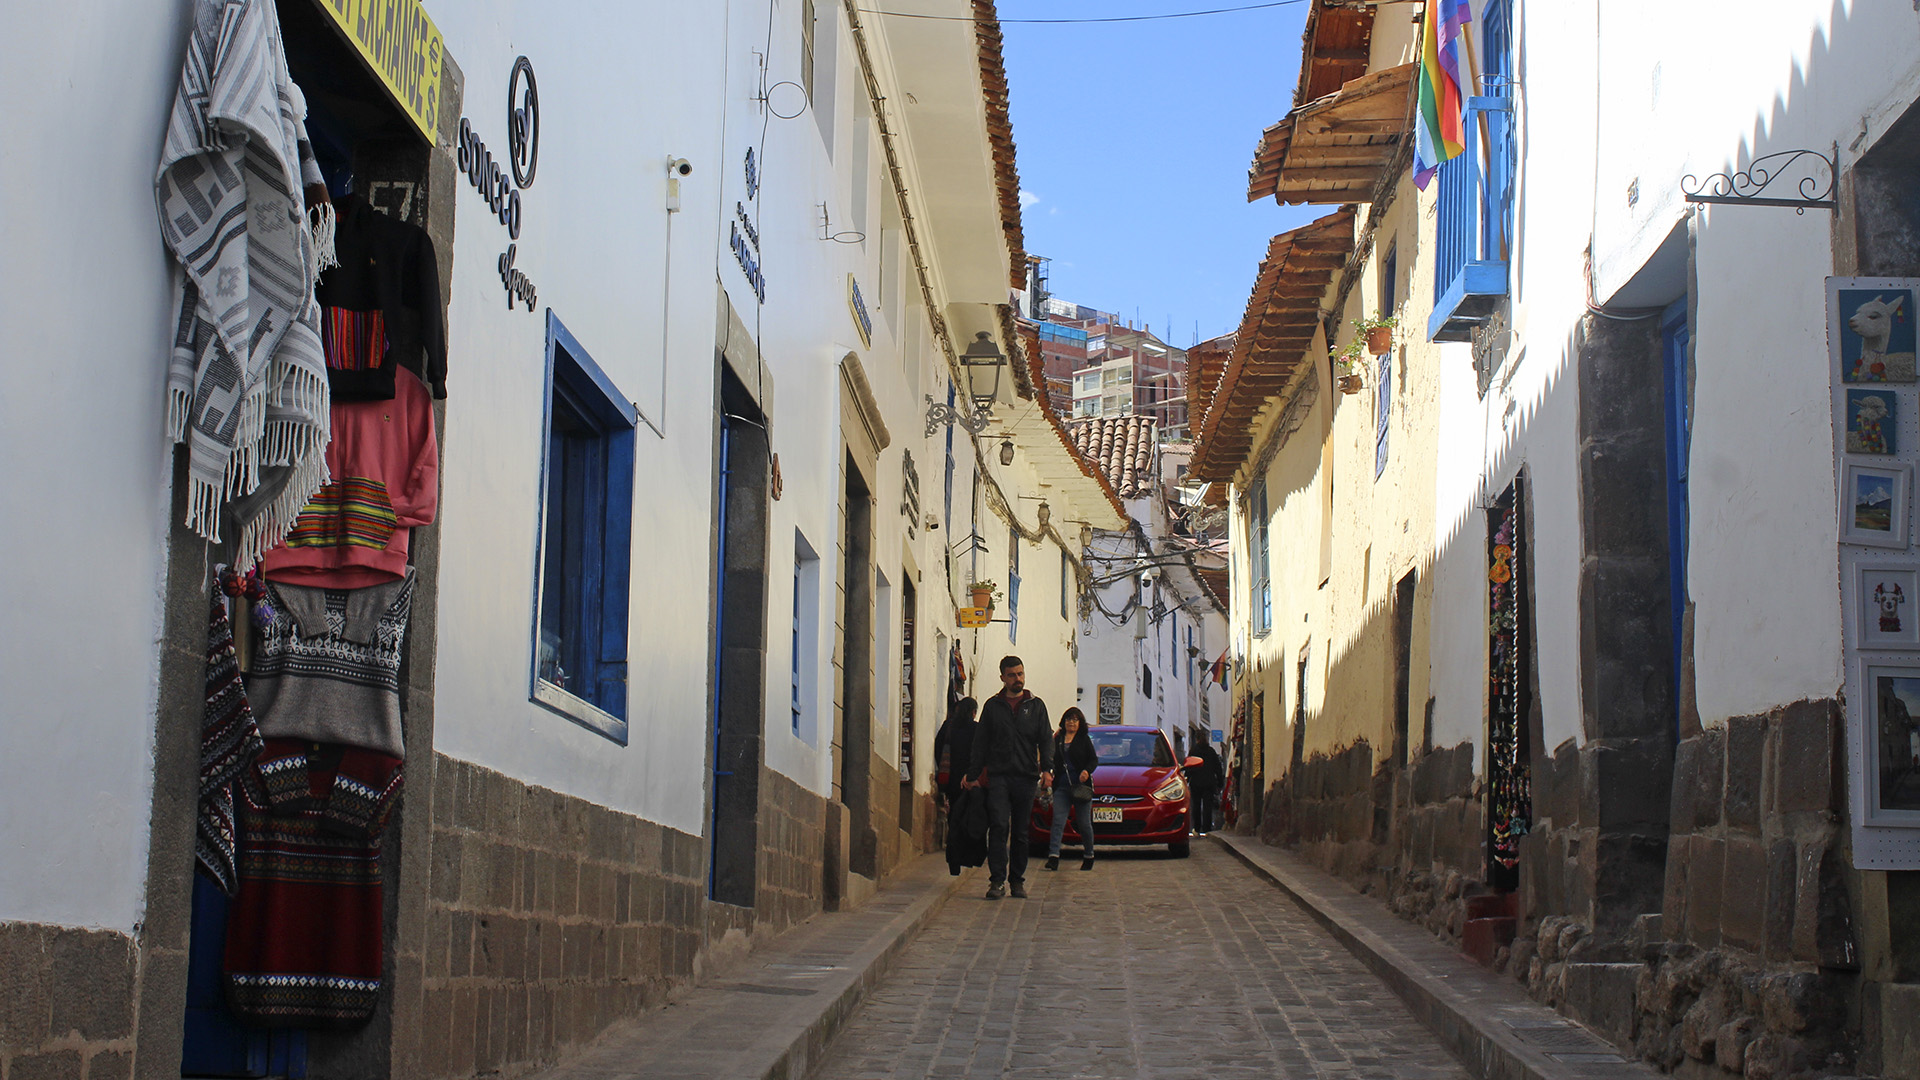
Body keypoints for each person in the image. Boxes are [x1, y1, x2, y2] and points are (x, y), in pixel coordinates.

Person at [962, 655, 1053, 899]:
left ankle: (1017, 881)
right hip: (999, 776)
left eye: (1020, 674)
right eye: (1012, 675)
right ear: (1003, 677)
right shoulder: (993, 706)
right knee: (999, 826)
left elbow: (1046, 739)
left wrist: (1047, 770)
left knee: (1021, 832)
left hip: (1026, 777)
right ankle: (997, 881)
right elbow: (980, 743)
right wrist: (973, 774)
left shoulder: (1036, 706)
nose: (1017, 679)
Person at [1046, 708, 1100, 871]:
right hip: (1062, 786)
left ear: (1080, 723)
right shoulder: (1058, 739)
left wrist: (1086, 771)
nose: (1071, 722)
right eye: (1069, 719)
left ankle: (1089, 854)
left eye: (1075, 720)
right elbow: (1050, 759)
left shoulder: (1084, 740)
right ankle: (1053, 856)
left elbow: (1093, 760)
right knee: (1058, 821)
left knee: (1084, 823)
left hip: (1081, 787)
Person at [933, 698, 981, 875]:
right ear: (973, 712)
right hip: (968, 781)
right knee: (967, 820)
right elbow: (980, 754)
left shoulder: (948, 726)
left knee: (953, 819)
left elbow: (938, 749)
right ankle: (966, 857)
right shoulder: (976, 729)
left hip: (951, 781)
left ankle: (953, 861)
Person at [1188, 735, 1225, 834]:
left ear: (1197, 739)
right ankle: (1207, 828)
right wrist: (1220, 782)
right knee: (1207, 806)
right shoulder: (1211, 751)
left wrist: (1187, 778)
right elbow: (1218, 768)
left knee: (1196, 806)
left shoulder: (1193, 751)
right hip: (1209, 783)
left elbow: (1189, 766)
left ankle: (1197, 828)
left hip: (1196, 783)